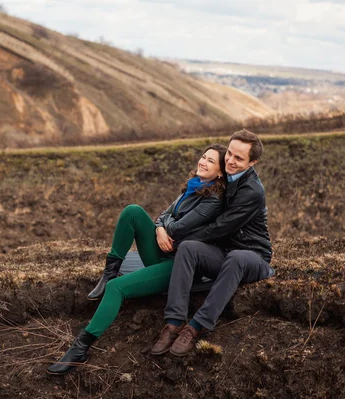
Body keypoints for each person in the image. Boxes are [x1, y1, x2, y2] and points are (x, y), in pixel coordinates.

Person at [47, 144, 227, 375]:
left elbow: (181, 227)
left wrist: (162, 228)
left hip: (179, 265)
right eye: (203, 157)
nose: (202, 162)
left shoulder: (214, 198)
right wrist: (161, 228)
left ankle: (80, 347)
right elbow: (163, 215)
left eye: (211, 161)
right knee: (132, 211)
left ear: (220, 172)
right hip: (164, 249)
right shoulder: (193, 187)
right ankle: (110, 270)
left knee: (116, 289)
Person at [151, 129, 274, 356]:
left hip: (253, 256)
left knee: (235, 257)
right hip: (224, 252)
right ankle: (174, 322)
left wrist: (177, 239)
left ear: (252, 162)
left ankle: (197, 326)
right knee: (189, 248)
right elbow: (186, 205)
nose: (230, 160)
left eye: (239, 158)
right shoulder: (224, 175)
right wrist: (161, 225)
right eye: (229, 153)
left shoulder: (252, 191)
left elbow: (220, 227)